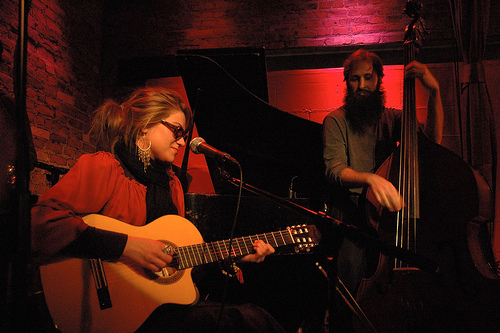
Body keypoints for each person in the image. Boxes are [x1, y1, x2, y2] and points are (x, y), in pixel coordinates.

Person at [31, 86, 286, 332]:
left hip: (153, 308)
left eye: (184, 135)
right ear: (145, 125)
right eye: (176, 130)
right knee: (250, 322)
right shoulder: (105, 168)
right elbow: (39, 224)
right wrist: (128, 246)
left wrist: (230, 256)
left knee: (253, 314)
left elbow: (178, 267)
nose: (182, 142)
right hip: (108, 311)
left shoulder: (173, 185)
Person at [322, 49, 443, 330]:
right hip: (352, 223)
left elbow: (432, 141)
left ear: (379, 79)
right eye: (354, 79)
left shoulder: (393, 119)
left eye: (368, 77)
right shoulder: (335, 121)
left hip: (387, 224)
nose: (362, 86)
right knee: (347, 303)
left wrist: (434, 91)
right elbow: (335, 169)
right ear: (346, 81)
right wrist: (371, 178)